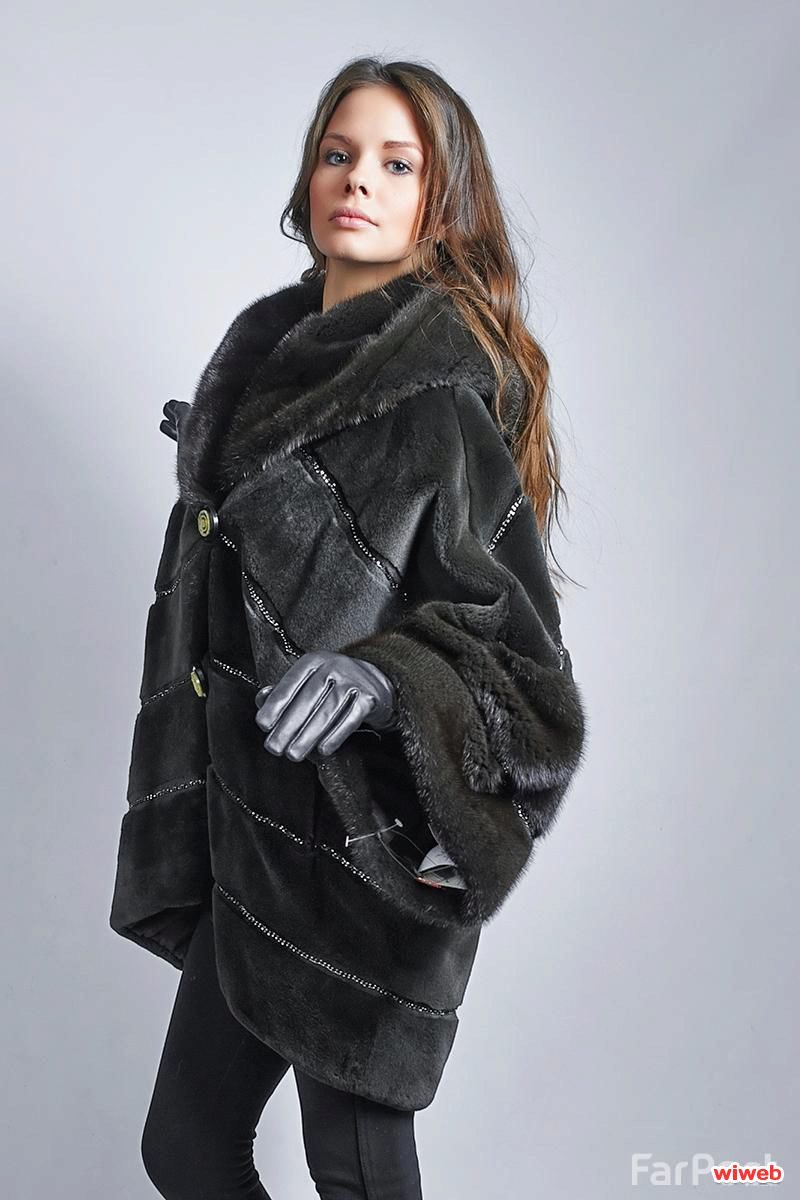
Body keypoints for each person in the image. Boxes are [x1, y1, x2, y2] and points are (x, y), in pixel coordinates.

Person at [110, 55, 588, 1199]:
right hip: (257, 839)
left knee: (356, 1171)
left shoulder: (435, 404)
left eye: (395, 163)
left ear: (441, 204)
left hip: (374, 850)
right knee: (185, 1150)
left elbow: (524, 671)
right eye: (338, 154)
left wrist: (381, 680)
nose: (357, 180)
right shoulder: (263, 378)